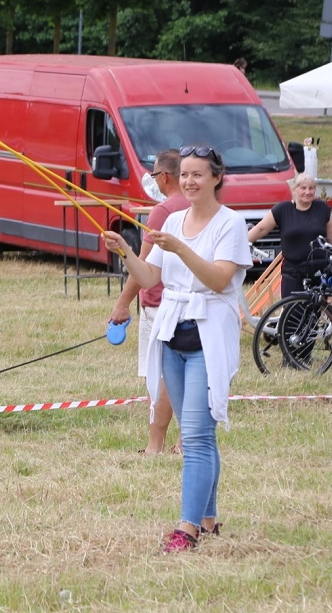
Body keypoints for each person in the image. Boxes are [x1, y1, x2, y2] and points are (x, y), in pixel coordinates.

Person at [104, 145, 250, 553]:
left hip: (208, 338)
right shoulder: (172, 220)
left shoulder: (231, 224)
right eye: (184, 174)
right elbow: (150, 276)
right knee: (196, 433)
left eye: (197, 174)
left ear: (216, 178)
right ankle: (208, 519)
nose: (189, 181)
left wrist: (180, 248)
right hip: (172, 337)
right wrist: (126, 252)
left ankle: (186, 530)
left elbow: (219, 280)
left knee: (197, 438)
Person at [108, 149, 189, 455]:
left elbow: (143, 267)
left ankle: (156, 446)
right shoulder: (198, 207)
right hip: (186, 307)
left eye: (154, 175)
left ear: (164, 176)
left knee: (161, 379)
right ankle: (183, 442)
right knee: (184, 377)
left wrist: (122, 303)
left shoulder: (163, 212)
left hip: (159, 305)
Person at [247, 173, 332, 296]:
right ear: (294, 190)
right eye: (303, 188)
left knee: (316, 308)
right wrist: (241, 243)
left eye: (311, 188)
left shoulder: (323, 208)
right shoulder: (282, 209)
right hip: (293, 272)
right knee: (291, 307)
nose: (307, 192)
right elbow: (261, 229)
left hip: (319, 270)